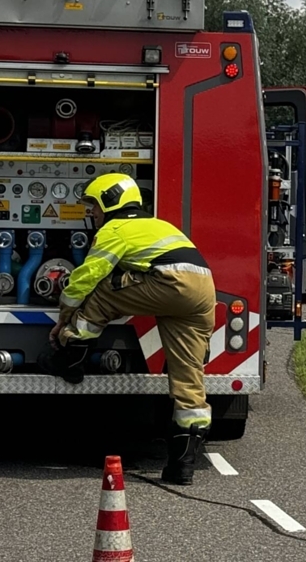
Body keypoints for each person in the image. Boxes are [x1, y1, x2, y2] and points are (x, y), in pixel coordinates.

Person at [41, 173, 216, 486]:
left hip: (170, 283)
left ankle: (72, 355)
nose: (91, 213)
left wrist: (64, 318)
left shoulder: (115, 229)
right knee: (189, 382)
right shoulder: (158, 224)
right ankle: (181, 466)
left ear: (110, 203)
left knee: (102, 289)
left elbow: (87, 275)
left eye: (93, 206)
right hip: (202, 290)